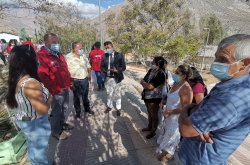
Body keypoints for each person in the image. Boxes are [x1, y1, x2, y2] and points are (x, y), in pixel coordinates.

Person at [179, 34, 250, 165]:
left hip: (199, 160)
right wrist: (197, 117)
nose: (215, 64)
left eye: (223, 59)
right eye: (216, 57)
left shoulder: (231, 99)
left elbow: (185, 129)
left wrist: (185, 110)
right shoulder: (235, 84)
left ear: (245, 63)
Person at [6, 45, 52, 165]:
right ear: (29, 61)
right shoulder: (30, 83)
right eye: (35, 56)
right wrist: (50, 98)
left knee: (33, 151)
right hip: (36, 124)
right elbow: (42, 110)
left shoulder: (17, 79)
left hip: (26, 121)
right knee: (40, 156)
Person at [37, 33, 72, 140]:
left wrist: (69, 82)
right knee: (56, 111)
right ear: (46, 43)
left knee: (65, 108)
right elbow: (42, 76)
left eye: (57, 42)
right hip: (55, 91)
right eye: (54, 42)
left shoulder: (59, 55)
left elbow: (65, 70)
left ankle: (61, 124)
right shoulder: (42, 56)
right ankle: (56, 131)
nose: (57, 44)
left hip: (65, 87)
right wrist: (55, 89)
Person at [156, 64, 193, 162]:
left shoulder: (186, 89)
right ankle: (165, 151)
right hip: (167, 115)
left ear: (184, 76)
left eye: (177, 72)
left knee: (172, 137)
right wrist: (163, 103)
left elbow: (185, 108)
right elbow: (170, 97)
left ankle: (169, 155)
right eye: (175, 71)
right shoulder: (176, 83)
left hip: (176, 119)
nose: (174, 74)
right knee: (165, 134)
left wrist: (171, 112)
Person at [65, 41, 94, 118]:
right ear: (75, 49)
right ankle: (78, 112)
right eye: (80, 48)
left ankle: (87, 109)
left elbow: (88, 66)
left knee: (85, 96)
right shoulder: (68, 57)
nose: (82, 49)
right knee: (76, 97)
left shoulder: (83, 56)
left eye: (82, 48)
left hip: (84, 79)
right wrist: (70, 82)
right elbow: (66, 70)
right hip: (74, 81)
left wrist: (89, 74)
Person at [140, 56, 166, 139]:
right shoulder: (151, 70)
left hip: (154, 98)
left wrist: (145, 84)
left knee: (154, 115)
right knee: (149, 113)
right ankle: (149, 127)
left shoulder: (162, 73)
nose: (151, 63)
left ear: (158, 64)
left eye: (154, 62)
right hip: (146, 96)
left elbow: (150, 86)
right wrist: (145, 84)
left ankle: (153, 131)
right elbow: (143, 80)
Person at [101, 41, 126, 116]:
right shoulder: (104, 56)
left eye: (108, 47)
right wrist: (105, 70)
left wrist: (117, 70)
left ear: (112, 47)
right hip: (108, 78)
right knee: (109, 93)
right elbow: (101, 66)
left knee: (117, 94)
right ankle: (109, 106)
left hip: (117, 77)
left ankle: (118, 108)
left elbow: (124, 67)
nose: (107, 49)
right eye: (106, 48)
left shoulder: (119, 55)